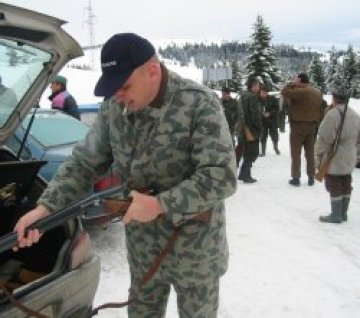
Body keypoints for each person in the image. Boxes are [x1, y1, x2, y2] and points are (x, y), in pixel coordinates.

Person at [14, 33, 237, 317]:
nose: (117, 94)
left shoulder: (199, 104)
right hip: (144, 248)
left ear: (152, 71)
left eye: (124, 85)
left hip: (196, 250)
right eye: (112, 87)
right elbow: (84, 162)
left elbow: (222, 175)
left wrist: (160, 204)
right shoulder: (114, 108)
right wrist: (45, 208)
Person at [316, 88, 360, 223]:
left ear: (335, 99)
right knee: (346, 181)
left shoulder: (332, 114)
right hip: (350, 153)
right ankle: (343, 213)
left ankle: (336, 215)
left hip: (335, 155)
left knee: (333, 183)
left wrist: (319, 154)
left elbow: (326, 137)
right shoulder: (355, 114)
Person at [281, 72, 323, 187]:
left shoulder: (301, 91)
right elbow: (321, 109)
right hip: (312, 125)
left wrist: (292, 83)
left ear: (300, 81)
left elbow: (284, 92)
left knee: (296, 153)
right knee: (310, 153)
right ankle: (311, 177)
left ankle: (296, 177)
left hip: (298, 126)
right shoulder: (317, 92)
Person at [238, 76, 262, 183]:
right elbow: (254, 115)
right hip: (251, 129)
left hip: (243, 127)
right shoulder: (252, 97)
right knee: (252, 152)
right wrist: (258, 126)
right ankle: (245, 175)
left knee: (247, 151)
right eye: (257, 85)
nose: (258, 87)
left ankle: (244, 174)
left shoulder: (242, 95)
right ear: (252, 86)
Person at [220, 86, 244, 166]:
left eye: (226, 94)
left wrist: (236, 125)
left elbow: (239, 115)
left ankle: (233, 161)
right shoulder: (219, 102)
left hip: (231, 126)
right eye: (223, 94)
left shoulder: (234, 102)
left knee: (231, 143)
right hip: (221, 127)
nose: (224, 95)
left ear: (229, 94)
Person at [259, 84, 280, 156]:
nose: (262, 94)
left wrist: (270, 113)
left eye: (264, 92)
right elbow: (255, 109)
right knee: (263, 135)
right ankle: (263, 151)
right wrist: (261, 113)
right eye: (261, 92)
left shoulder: (272, 99)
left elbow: (277, 108)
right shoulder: (258, 100)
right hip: (263, 120)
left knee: (274, 135)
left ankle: (276, 147)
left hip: (272, 120)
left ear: (267, 93)